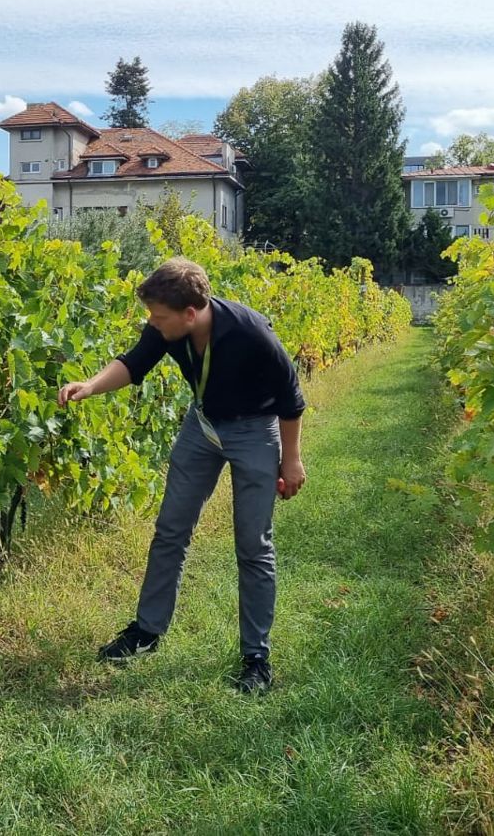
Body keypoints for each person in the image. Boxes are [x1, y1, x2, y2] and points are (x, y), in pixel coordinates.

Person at [57, 257, 306, 694]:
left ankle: (256, 658)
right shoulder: (166, 328)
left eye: (159, 316)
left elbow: (291, 398)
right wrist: (91, 385)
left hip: (255, 429)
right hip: (203, 426)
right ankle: (147, 632)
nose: (152, 323)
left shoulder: (251, 333)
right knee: (170, 529)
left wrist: (292, 460)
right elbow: (134, 364)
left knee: (253, 544)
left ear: (190, 314)